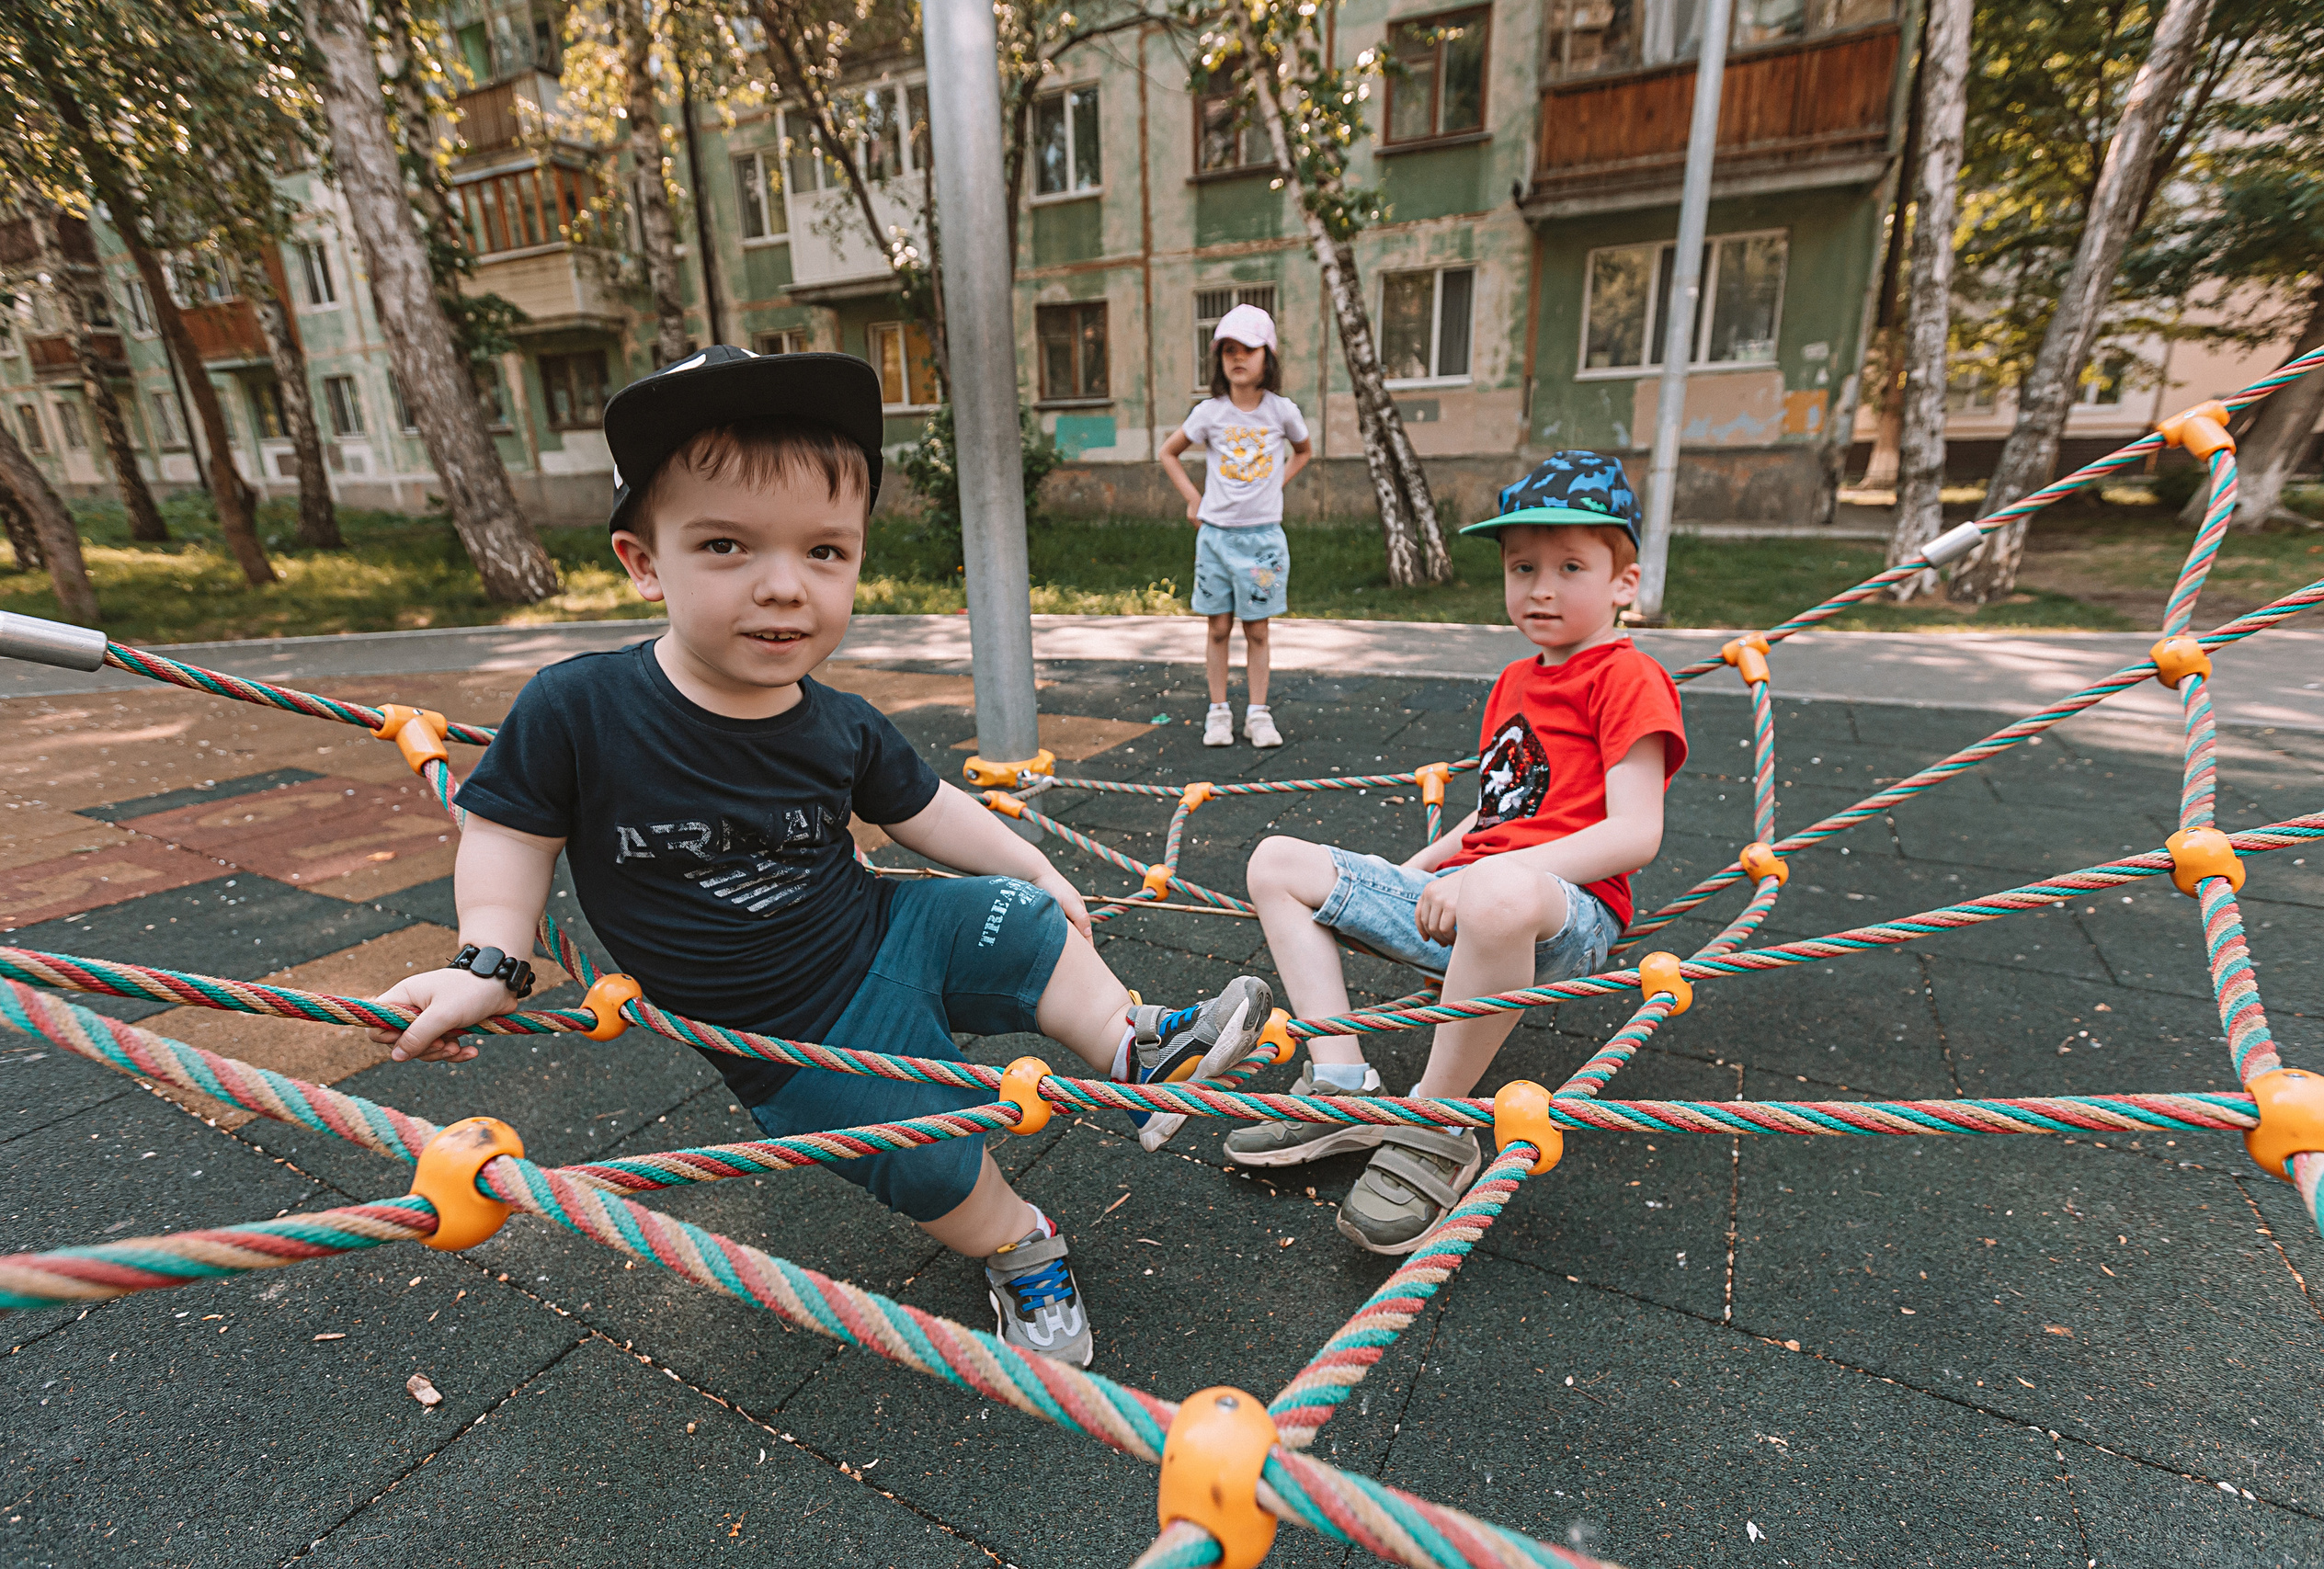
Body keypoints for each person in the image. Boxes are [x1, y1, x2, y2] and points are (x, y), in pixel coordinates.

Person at [366, 346, 1273, 1368]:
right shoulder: (578, 708)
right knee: (929, 1164)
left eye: (825, 552)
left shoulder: (836, 722)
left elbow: (927, 810)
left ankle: (1132, 1044)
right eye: (725, 546)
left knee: (1018, 921)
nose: (784, 588)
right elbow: (507, 833)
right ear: (642, 559)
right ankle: (1021, 1242)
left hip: (880, 925)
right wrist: (489, 956)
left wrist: (1032, 868)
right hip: (786, 1032)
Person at [1230, 452, 1686, 1256]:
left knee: (1502, 891)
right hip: (1473, 888)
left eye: (1570, 566)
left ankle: (1434, 1122)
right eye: (1522, 567)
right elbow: (1497, 807)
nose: (1541, 587)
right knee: (1275, 860)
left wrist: (1486, 875)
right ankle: (1342, 1081)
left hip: (1562, 915)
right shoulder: (1514, 678)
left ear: (1625, 582)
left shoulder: (1630, 676)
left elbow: (1634, 833)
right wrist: (1423, 868)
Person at [1156, 302, 1311, 749]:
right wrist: (1194, 499)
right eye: (1228, 350)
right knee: (1219, 627)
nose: (1238, 358)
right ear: (1219, 359)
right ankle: (1219, 711)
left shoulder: (1281, 412)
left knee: (1257, 629)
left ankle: (1258, 714)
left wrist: (1274, 486)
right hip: (1216, 541)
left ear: (1268, 357)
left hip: (1262, 544)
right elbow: (1169, 452)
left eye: (1248, 349)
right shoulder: (1211, 413)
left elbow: (1303, 451)